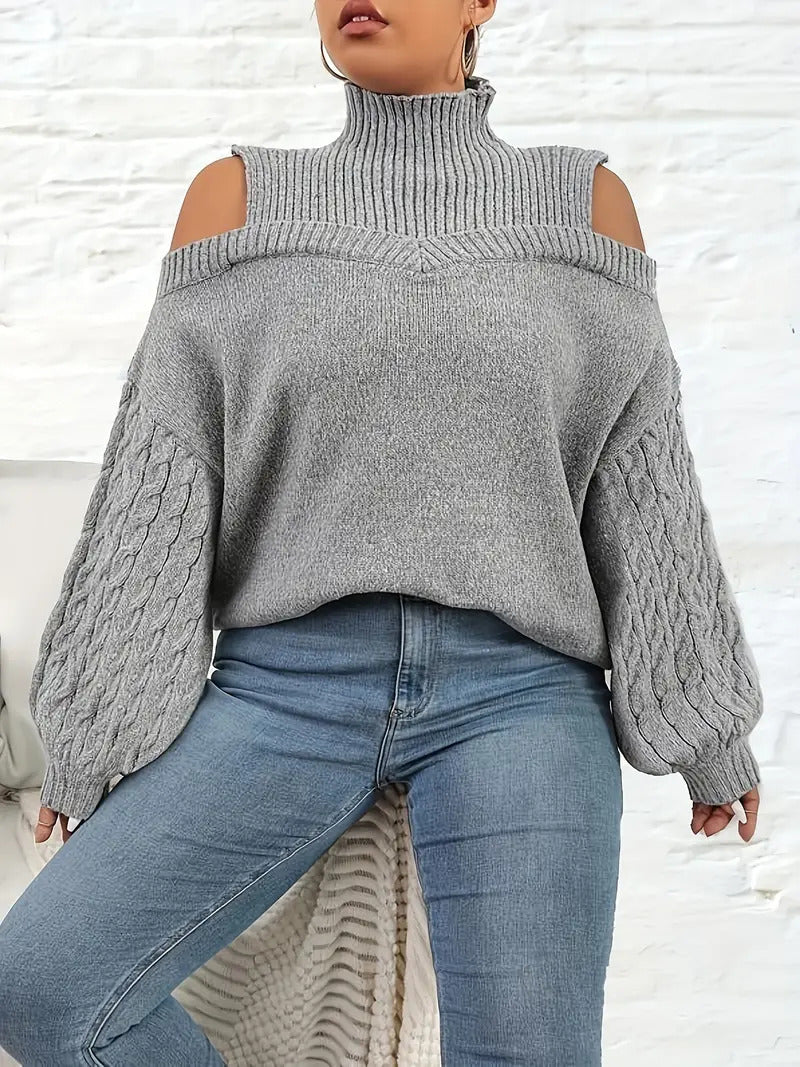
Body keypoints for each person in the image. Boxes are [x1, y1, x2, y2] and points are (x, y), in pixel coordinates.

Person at [0, 1, 764, 1064]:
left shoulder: (584, 203)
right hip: (281, 690)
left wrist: (702, 726)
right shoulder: (237, 199)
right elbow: (161, 478)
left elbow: (642, 484)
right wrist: (93, 731)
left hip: (522, 697)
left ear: (480, 2)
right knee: (42, 984)